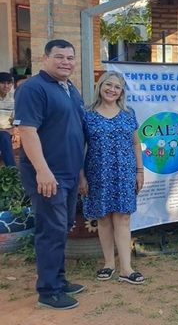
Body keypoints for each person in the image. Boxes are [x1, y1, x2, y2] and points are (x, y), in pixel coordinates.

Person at [14, 39, 85, 309]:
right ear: (44, 59)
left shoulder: (69, 89)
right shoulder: (33, 88)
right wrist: (43, 172)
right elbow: (28, 132)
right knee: (51, 231)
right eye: (59, 57)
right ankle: (48, 291)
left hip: (67, 174)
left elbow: (75, 133)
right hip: (47, 176)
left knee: (62, 228)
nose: (66, 62)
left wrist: (79, 175)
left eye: (70, 57)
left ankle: (59, 279)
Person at [78, 71, 145, 285]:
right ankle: (109, 264)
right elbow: (79, 147)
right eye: (108, 85)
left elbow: (136, 144)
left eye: (117, 87)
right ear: (100, 86)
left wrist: (140, 171)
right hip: (97, 173)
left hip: (124, 173)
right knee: (104, 219)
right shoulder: (87, 114)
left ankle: (126, 268)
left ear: (122, 91)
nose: (112, 90)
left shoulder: (128, 113)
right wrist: (81, 177)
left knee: (123, 218)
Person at [0, 72, 17, 167]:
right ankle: (11, 169)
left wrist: (17, 130)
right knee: (4, 136)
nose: (6, 86)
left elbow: (18, 117)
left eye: (9, 83)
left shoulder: (13, 99)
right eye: (2, 83)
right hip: (4, 133)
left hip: (9, 131)